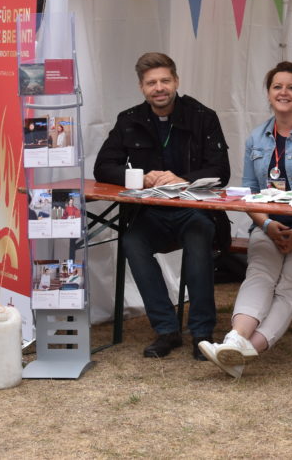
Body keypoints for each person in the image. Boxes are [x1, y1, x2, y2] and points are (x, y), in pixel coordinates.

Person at [198, 61, 292, 379]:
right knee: (259, 276)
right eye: (277, 86)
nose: (284, 92)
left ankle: (242, 352)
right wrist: (266, 225)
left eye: (291, 87)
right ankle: (235, 340)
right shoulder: (257, 138)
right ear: (268, 93)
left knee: (287, 286)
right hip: (270, 227)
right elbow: (249, 195)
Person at [94, 52, 230, 360]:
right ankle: (166, 329)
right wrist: (140, 178)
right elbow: (103, 167)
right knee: (132, 242)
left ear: (176, 81)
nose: (159, 88)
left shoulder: (203, 116)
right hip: (151, 213)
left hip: (194, 210)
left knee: (198, 237)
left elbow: (221, 171)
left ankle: (201, 333)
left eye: (165, 81)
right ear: (141, 87)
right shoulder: (129, 120)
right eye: (151, 83)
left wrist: (183, 178)